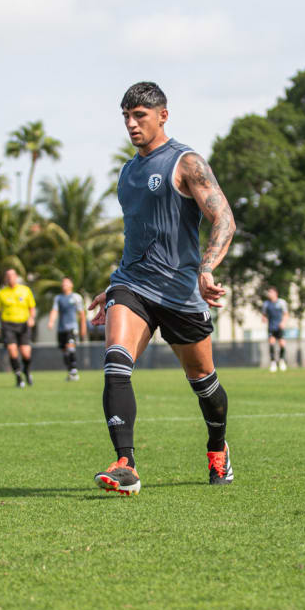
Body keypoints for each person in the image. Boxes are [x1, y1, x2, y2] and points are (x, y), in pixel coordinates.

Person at [89, 81, 237, 495]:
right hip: (132, 286)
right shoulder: (128, 172)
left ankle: (217, 448)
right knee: (115, 363)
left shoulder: (186, 163)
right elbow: (137, 236)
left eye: (139, 116)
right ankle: (126, 464)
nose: (131, 124)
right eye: (126, 117)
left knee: (203, 381)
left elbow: (224, 220)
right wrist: (112, 285)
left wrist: (206, 269)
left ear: (163, 116)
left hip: (180, 293)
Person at [0, 268, 36, 387]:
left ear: (16, 277)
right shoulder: (2, 293)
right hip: (8, 325)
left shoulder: (25, 290)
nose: (10, 278)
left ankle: (26, 371)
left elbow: (31, 307)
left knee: (26, 353)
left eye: (12, 275)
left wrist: (31, 318)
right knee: (12, 350)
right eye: (8, 276)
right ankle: (18, 377)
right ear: (6, 278)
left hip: (23, 325)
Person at [48, 276, 87, 381]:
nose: (64, 285)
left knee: (70, 348)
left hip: (72, 328)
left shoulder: (76, 297)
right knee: (65, 352)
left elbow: (82, 314)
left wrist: (83, 328)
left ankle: (74, 370)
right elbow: (55, 311)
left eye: (66, 283)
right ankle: (71, 372)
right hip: (61, 329)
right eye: (63, 283)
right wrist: (51, 321)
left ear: (71, 285)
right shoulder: (58, 298)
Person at [262, 286, 288, 372]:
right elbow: (264, 315)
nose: (269, 294)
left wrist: (283, 322)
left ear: (275, 293)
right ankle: (273, 362)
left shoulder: (281, 302)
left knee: (282, 344)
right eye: (269, 292)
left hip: (279, 327)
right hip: (271, 327)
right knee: (272, 343)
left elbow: (286, 314)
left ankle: (281, 360)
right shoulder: (266, 304)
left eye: (271, 292)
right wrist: (264, 318)